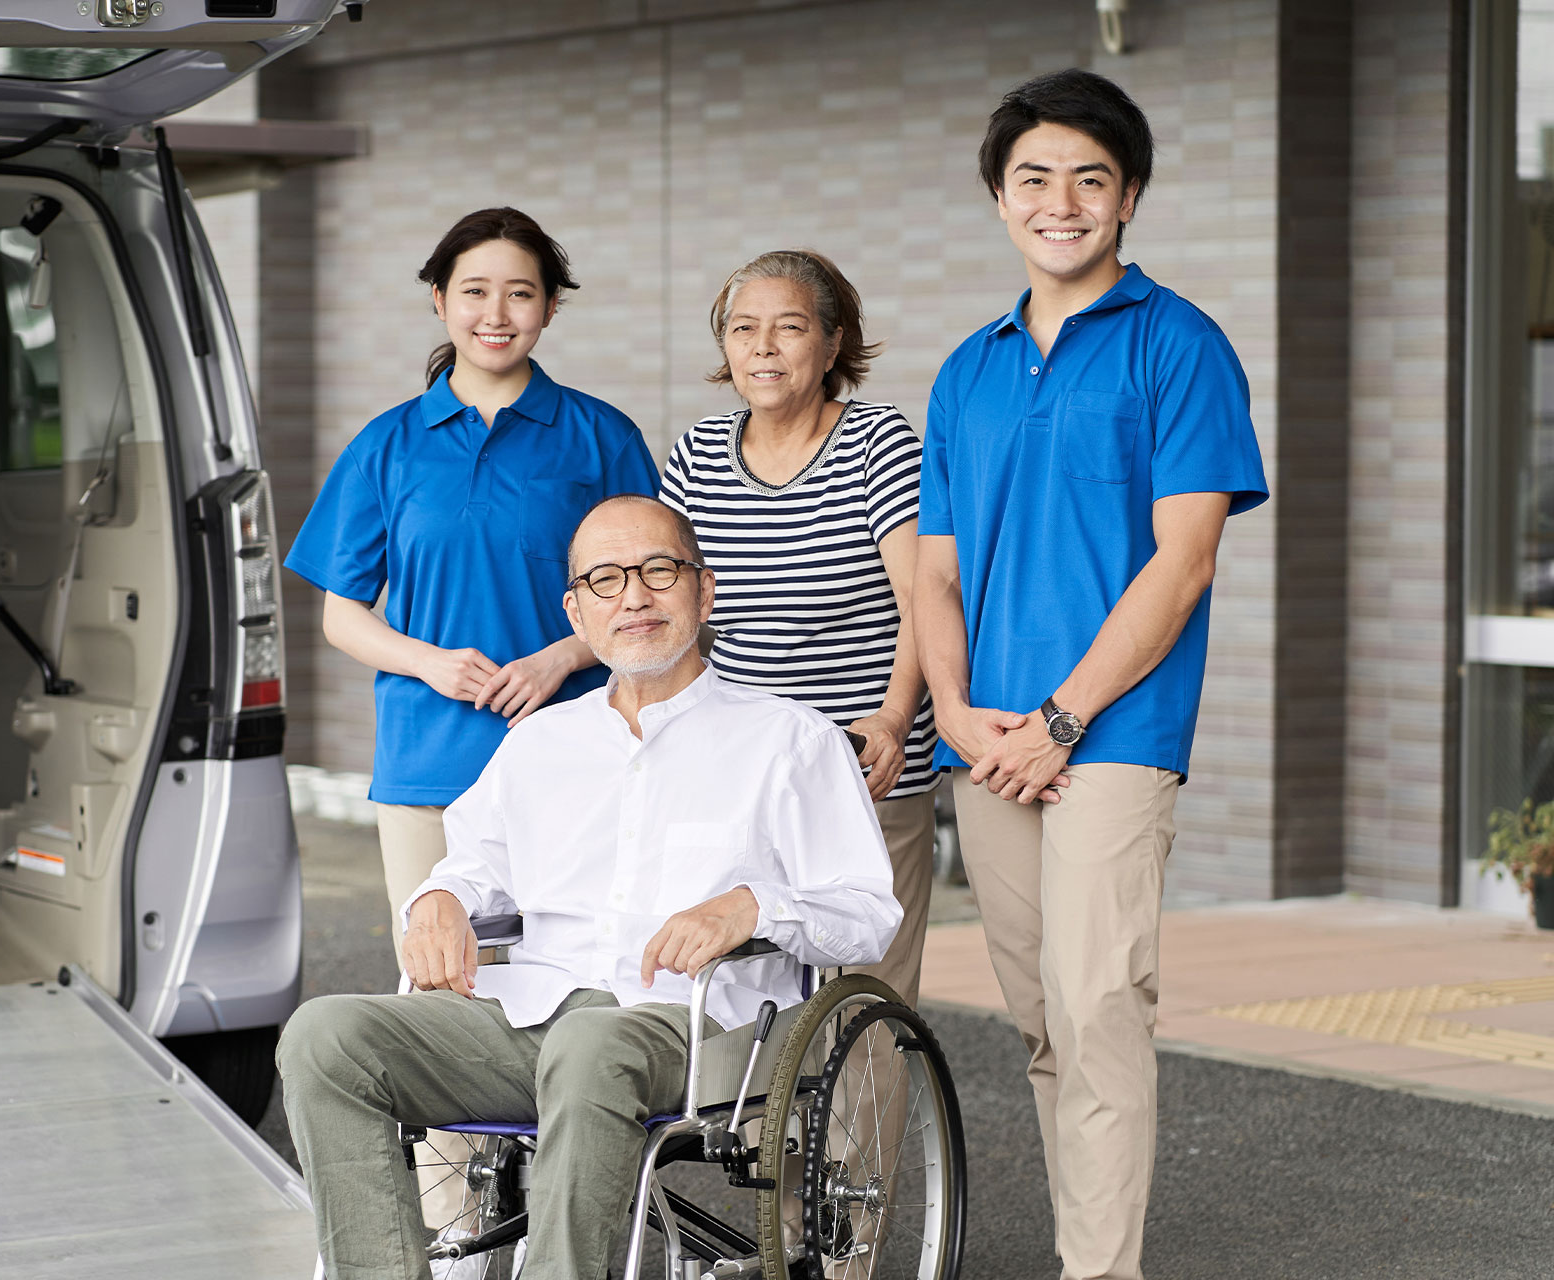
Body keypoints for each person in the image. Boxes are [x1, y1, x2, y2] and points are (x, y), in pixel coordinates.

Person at [278, 495, 900, 1280]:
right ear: (577, 610)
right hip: (532, 1017)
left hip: (694, 1029)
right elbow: (470, 866)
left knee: (592, 1042)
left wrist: (753, 905)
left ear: (704, 592)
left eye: (658, 571)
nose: (633, 596)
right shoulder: (540, 742)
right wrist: (437, 901)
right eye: (605, 581)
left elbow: (867, 915)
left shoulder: (788, 739)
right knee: (325, 1037)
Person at [912, 70, 1268, 1280]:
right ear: (999, 199)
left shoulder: (1181, 345)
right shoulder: (969, 368)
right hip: (990, 737)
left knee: (1100, 1002)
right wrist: (959, 711)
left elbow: (1185, 561)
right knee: (1044, 1023)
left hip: (1111, 733)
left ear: (1128, 201)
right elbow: (938, 571)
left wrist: (1062, 717)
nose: (1060, 202)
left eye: (1090, 180)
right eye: (1033, 179)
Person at [283, 206, 659, 964]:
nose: (496, 314)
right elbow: (342, 615)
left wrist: (563, 657)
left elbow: (652, 595)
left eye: (520, 294)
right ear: (439, 300)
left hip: (573, 756)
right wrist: (429, 661)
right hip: (428, 765)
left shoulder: (602, 436)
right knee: (445, 988)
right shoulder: (386, 446)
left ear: (551, 307)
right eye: (474, 292)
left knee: (575, 980)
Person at [661, 247, 936, 1011]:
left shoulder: (878, 443)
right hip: (742, 774)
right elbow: (673, 604)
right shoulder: (696, 455)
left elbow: (924, 600)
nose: (763, 347)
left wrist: (892, 718)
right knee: (740, 999)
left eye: (789, 327)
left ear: (833, 342)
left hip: (865, 763)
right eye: (743, 329)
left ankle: (853, 1139)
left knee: (861, 1005)